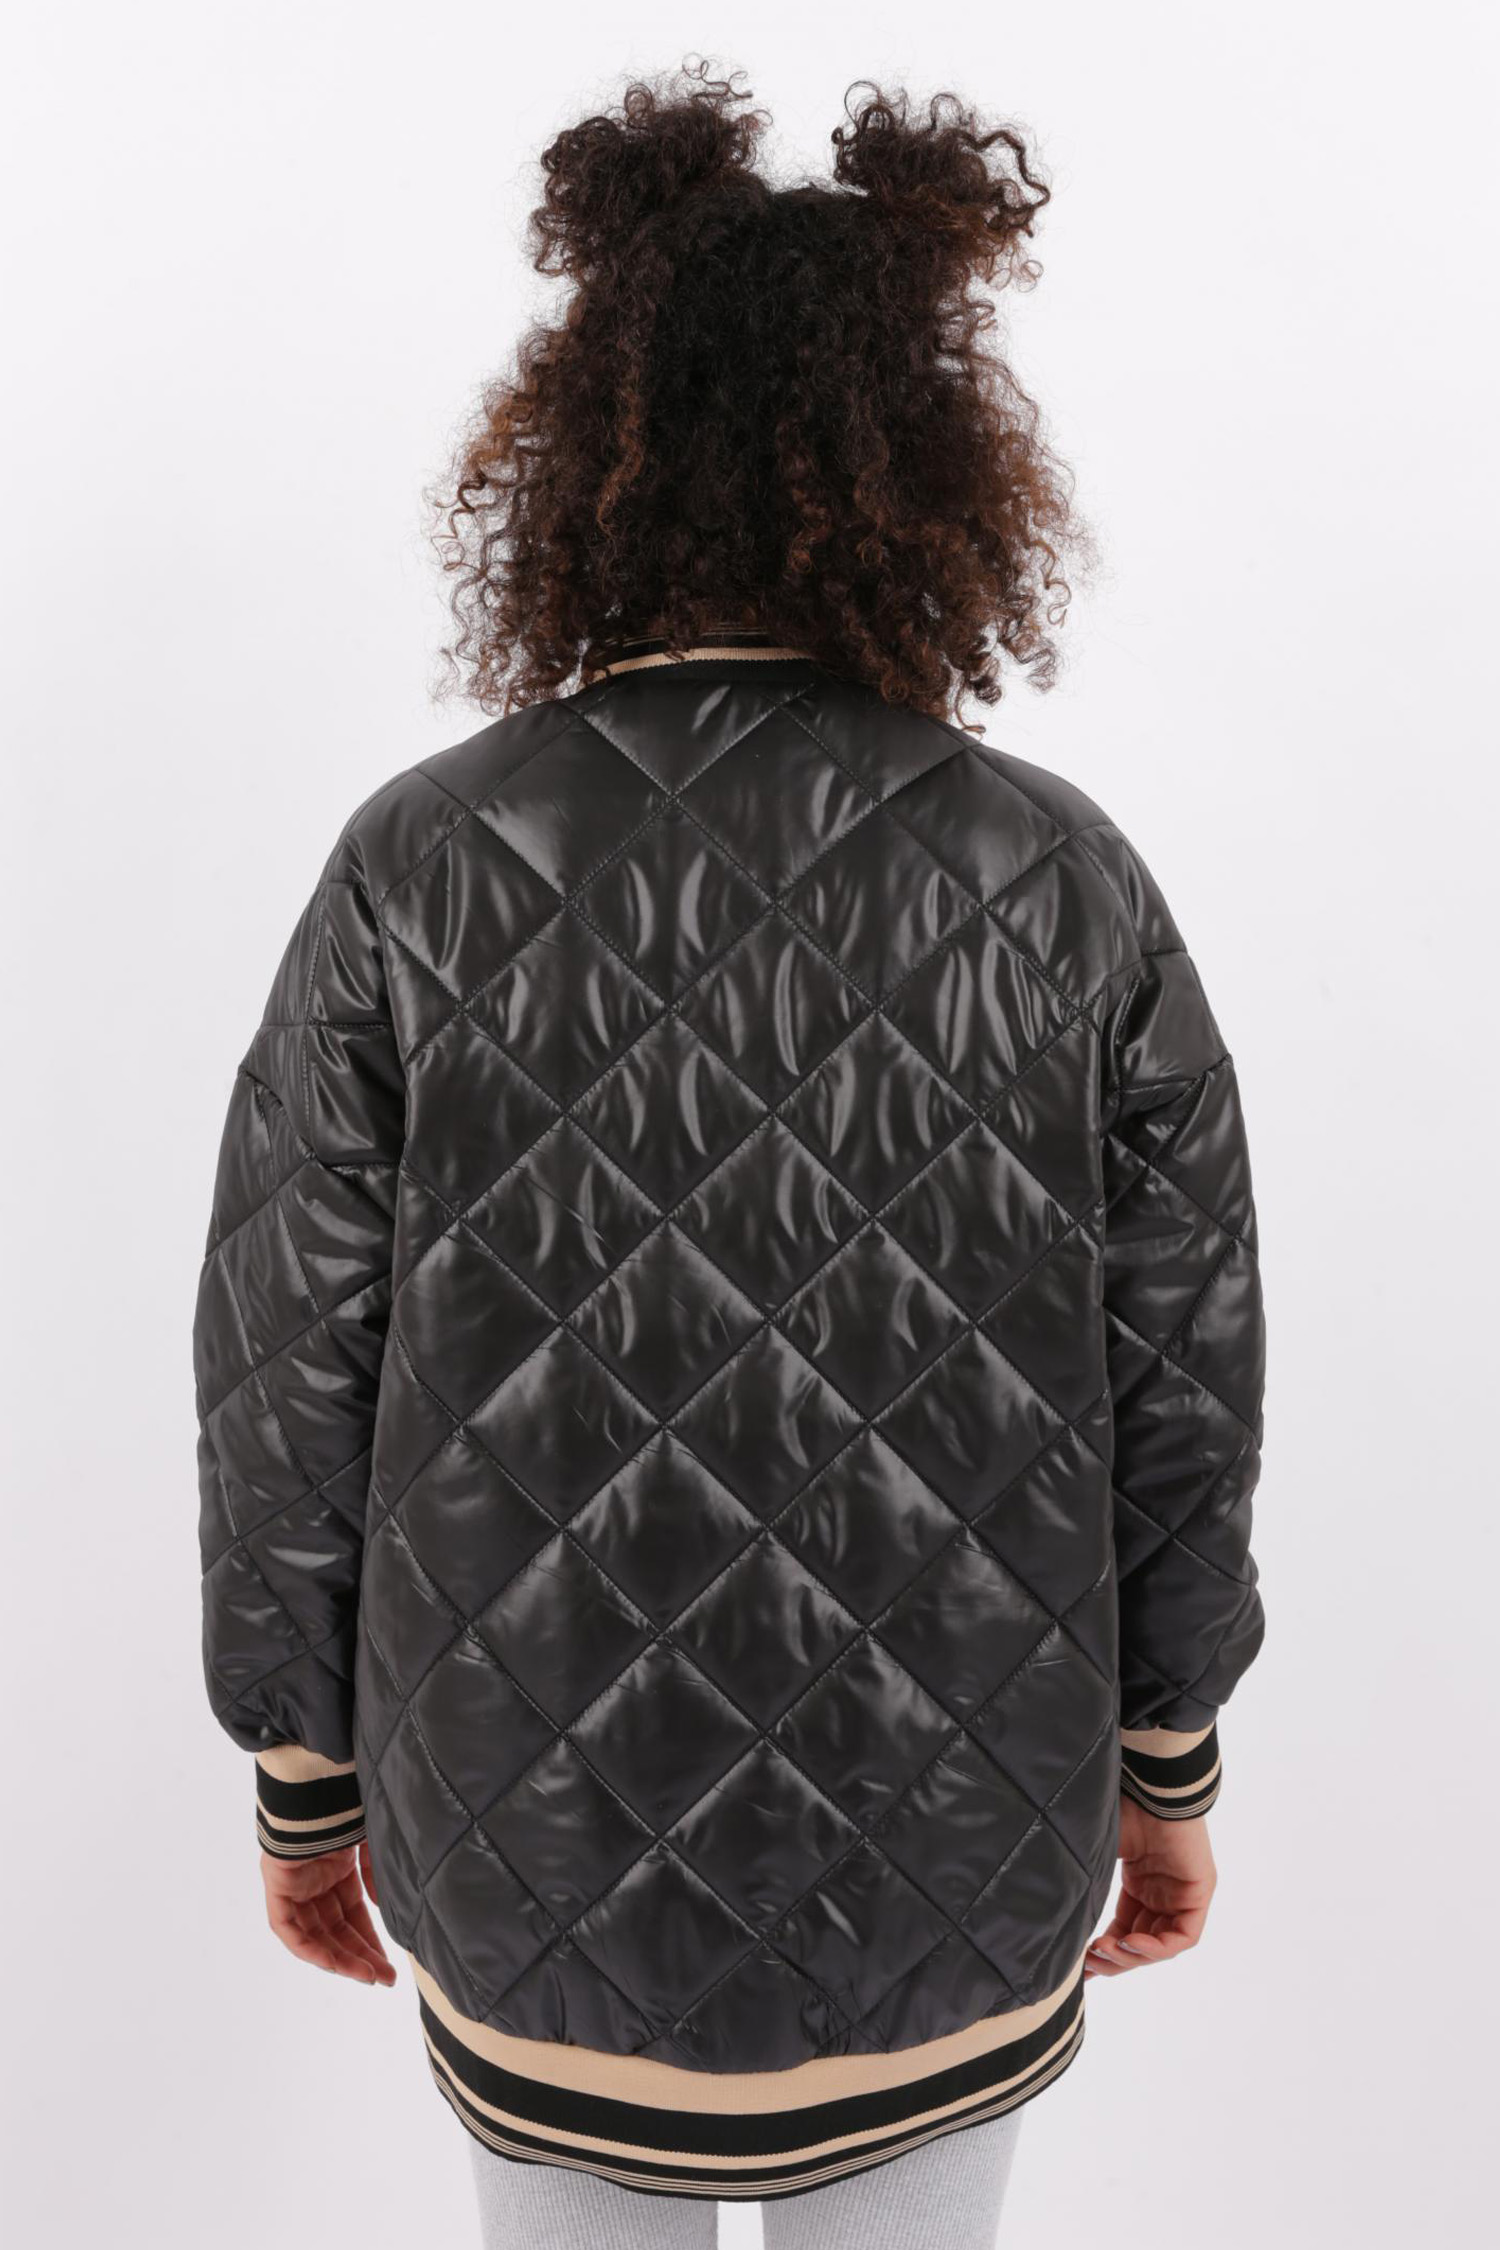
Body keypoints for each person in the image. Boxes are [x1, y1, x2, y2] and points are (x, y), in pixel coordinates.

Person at [193, 64, 1266, 2249]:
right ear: (931, 462)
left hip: (529, 1856)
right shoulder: (1062, 876)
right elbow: (1185, 1388)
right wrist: (1166, 1769)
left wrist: (306, 1780)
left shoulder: (418, 864)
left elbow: (284, 1378)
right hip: (962, 1847)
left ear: (583, 451)